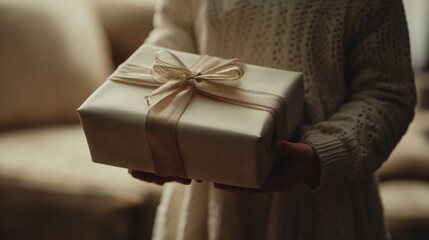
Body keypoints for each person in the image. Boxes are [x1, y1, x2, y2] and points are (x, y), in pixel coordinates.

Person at [130, 0, 417, 239]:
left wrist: (322, 153)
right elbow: (174, 31)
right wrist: (156, 131)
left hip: (322, 209)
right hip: (204, 203)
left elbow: (387, 93)